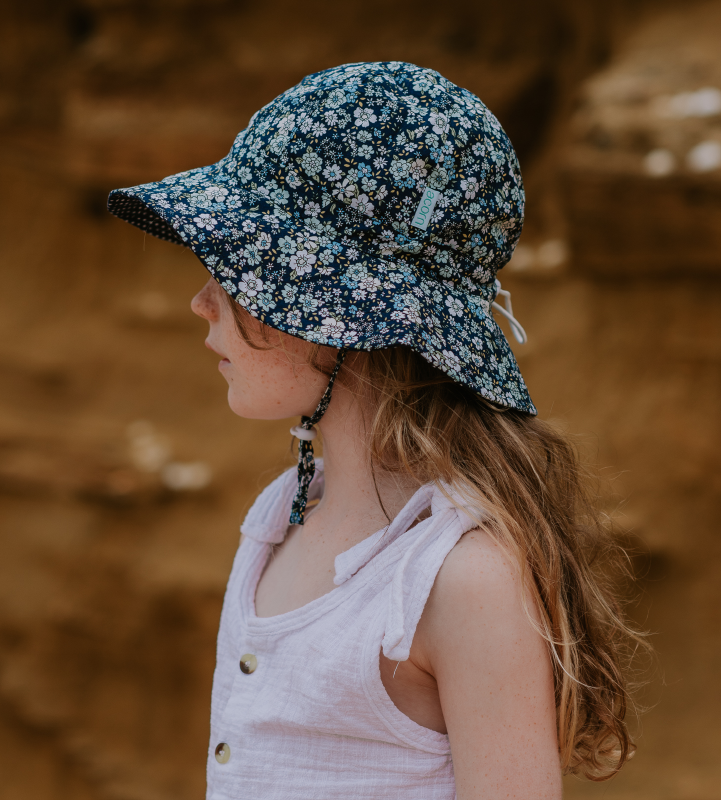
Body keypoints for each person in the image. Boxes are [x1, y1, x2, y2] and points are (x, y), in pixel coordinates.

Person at [108, 61, 642, 800]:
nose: (202, 301)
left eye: (240, 270)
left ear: (337, 312)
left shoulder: (459, 579)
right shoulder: (280, 521)